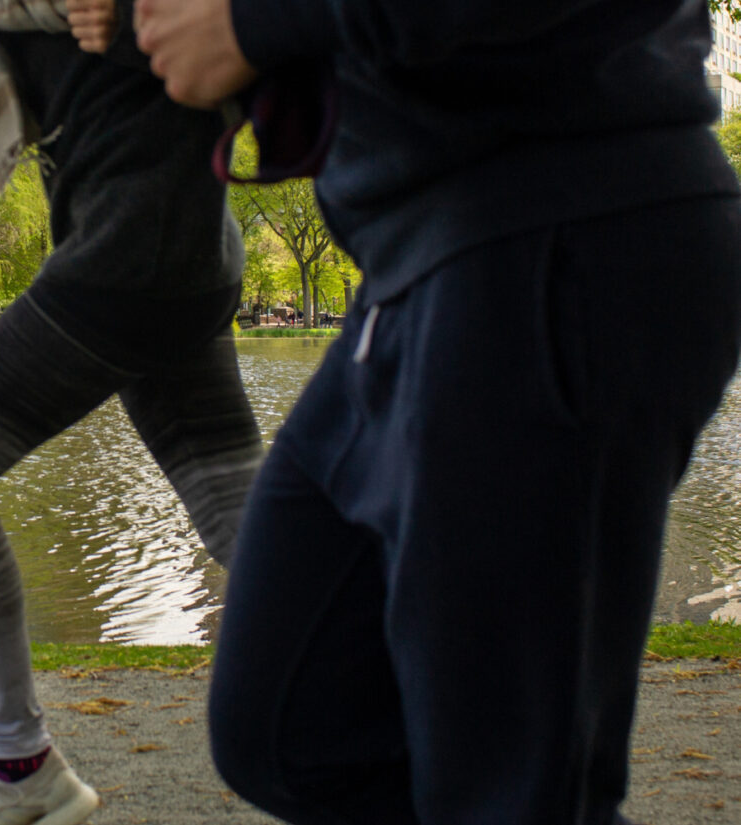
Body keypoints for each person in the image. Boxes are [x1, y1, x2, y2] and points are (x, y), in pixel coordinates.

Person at [130, 1, 741, 823]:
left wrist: (257, 22)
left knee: (508, 792)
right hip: (410, 262)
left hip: (560, 227)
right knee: (283, 730)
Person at [0, 1, 265, 823]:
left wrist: (132, 23)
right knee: (249, 522)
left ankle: (21, 763)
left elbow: (246, 53)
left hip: (136, 257)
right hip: (157, 258)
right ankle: (436, 692)